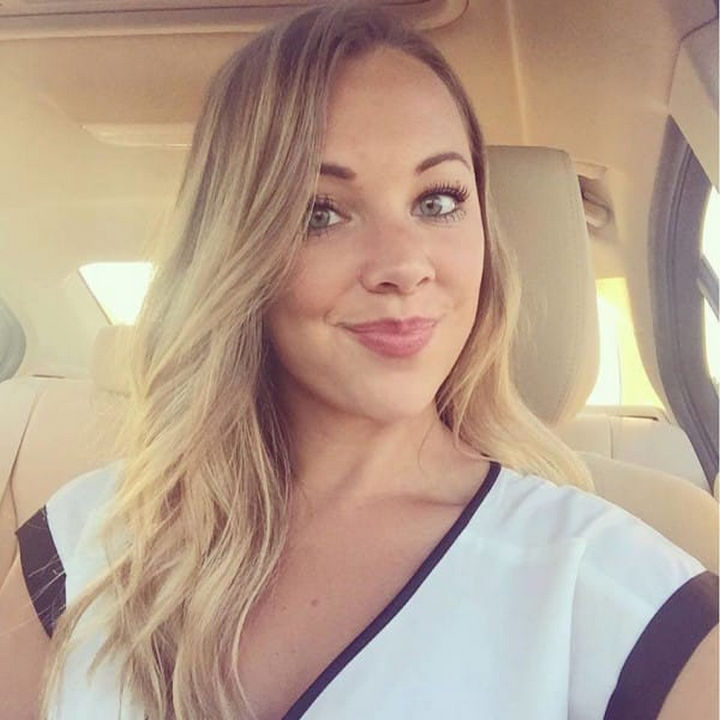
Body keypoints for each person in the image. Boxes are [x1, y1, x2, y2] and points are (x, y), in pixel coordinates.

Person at [1, 2, 717, 719]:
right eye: (321, 212)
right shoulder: (84, 544)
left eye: (437, 201)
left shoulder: (618, 596)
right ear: (236, 252)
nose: (403, 265)